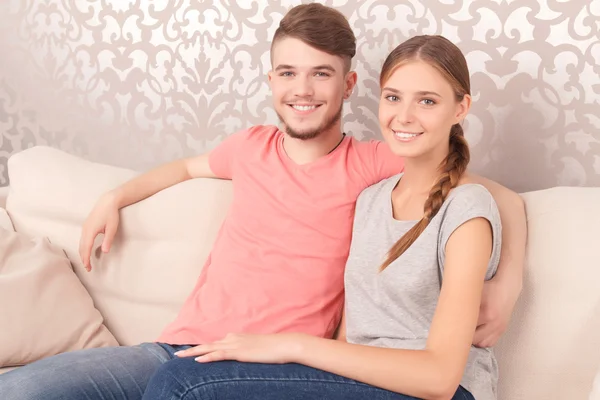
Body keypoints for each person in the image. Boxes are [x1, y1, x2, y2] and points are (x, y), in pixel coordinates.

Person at [0, 4, 525, 400]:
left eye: (321, 73)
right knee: (21, 390)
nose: (303, 89)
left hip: (269, 365)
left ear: (348, 86)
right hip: (180, 347)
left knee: (181, 386)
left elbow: (491, 194)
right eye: (288, 72)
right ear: (271, 80)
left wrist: (507, 282)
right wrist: (112, 197)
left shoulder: (371, 165)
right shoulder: (252, 148)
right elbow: (184, 168)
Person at [144, 33, 501, 400]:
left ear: (460, 108)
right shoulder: (371, 199)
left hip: (436, 390)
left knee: (184, 383)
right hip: (355, 381)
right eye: (393, 98)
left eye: (427, 101)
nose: (404, 116)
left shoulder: (467, 209)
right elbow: (349, 336)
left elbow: (439, 379)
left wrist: (294, 346)